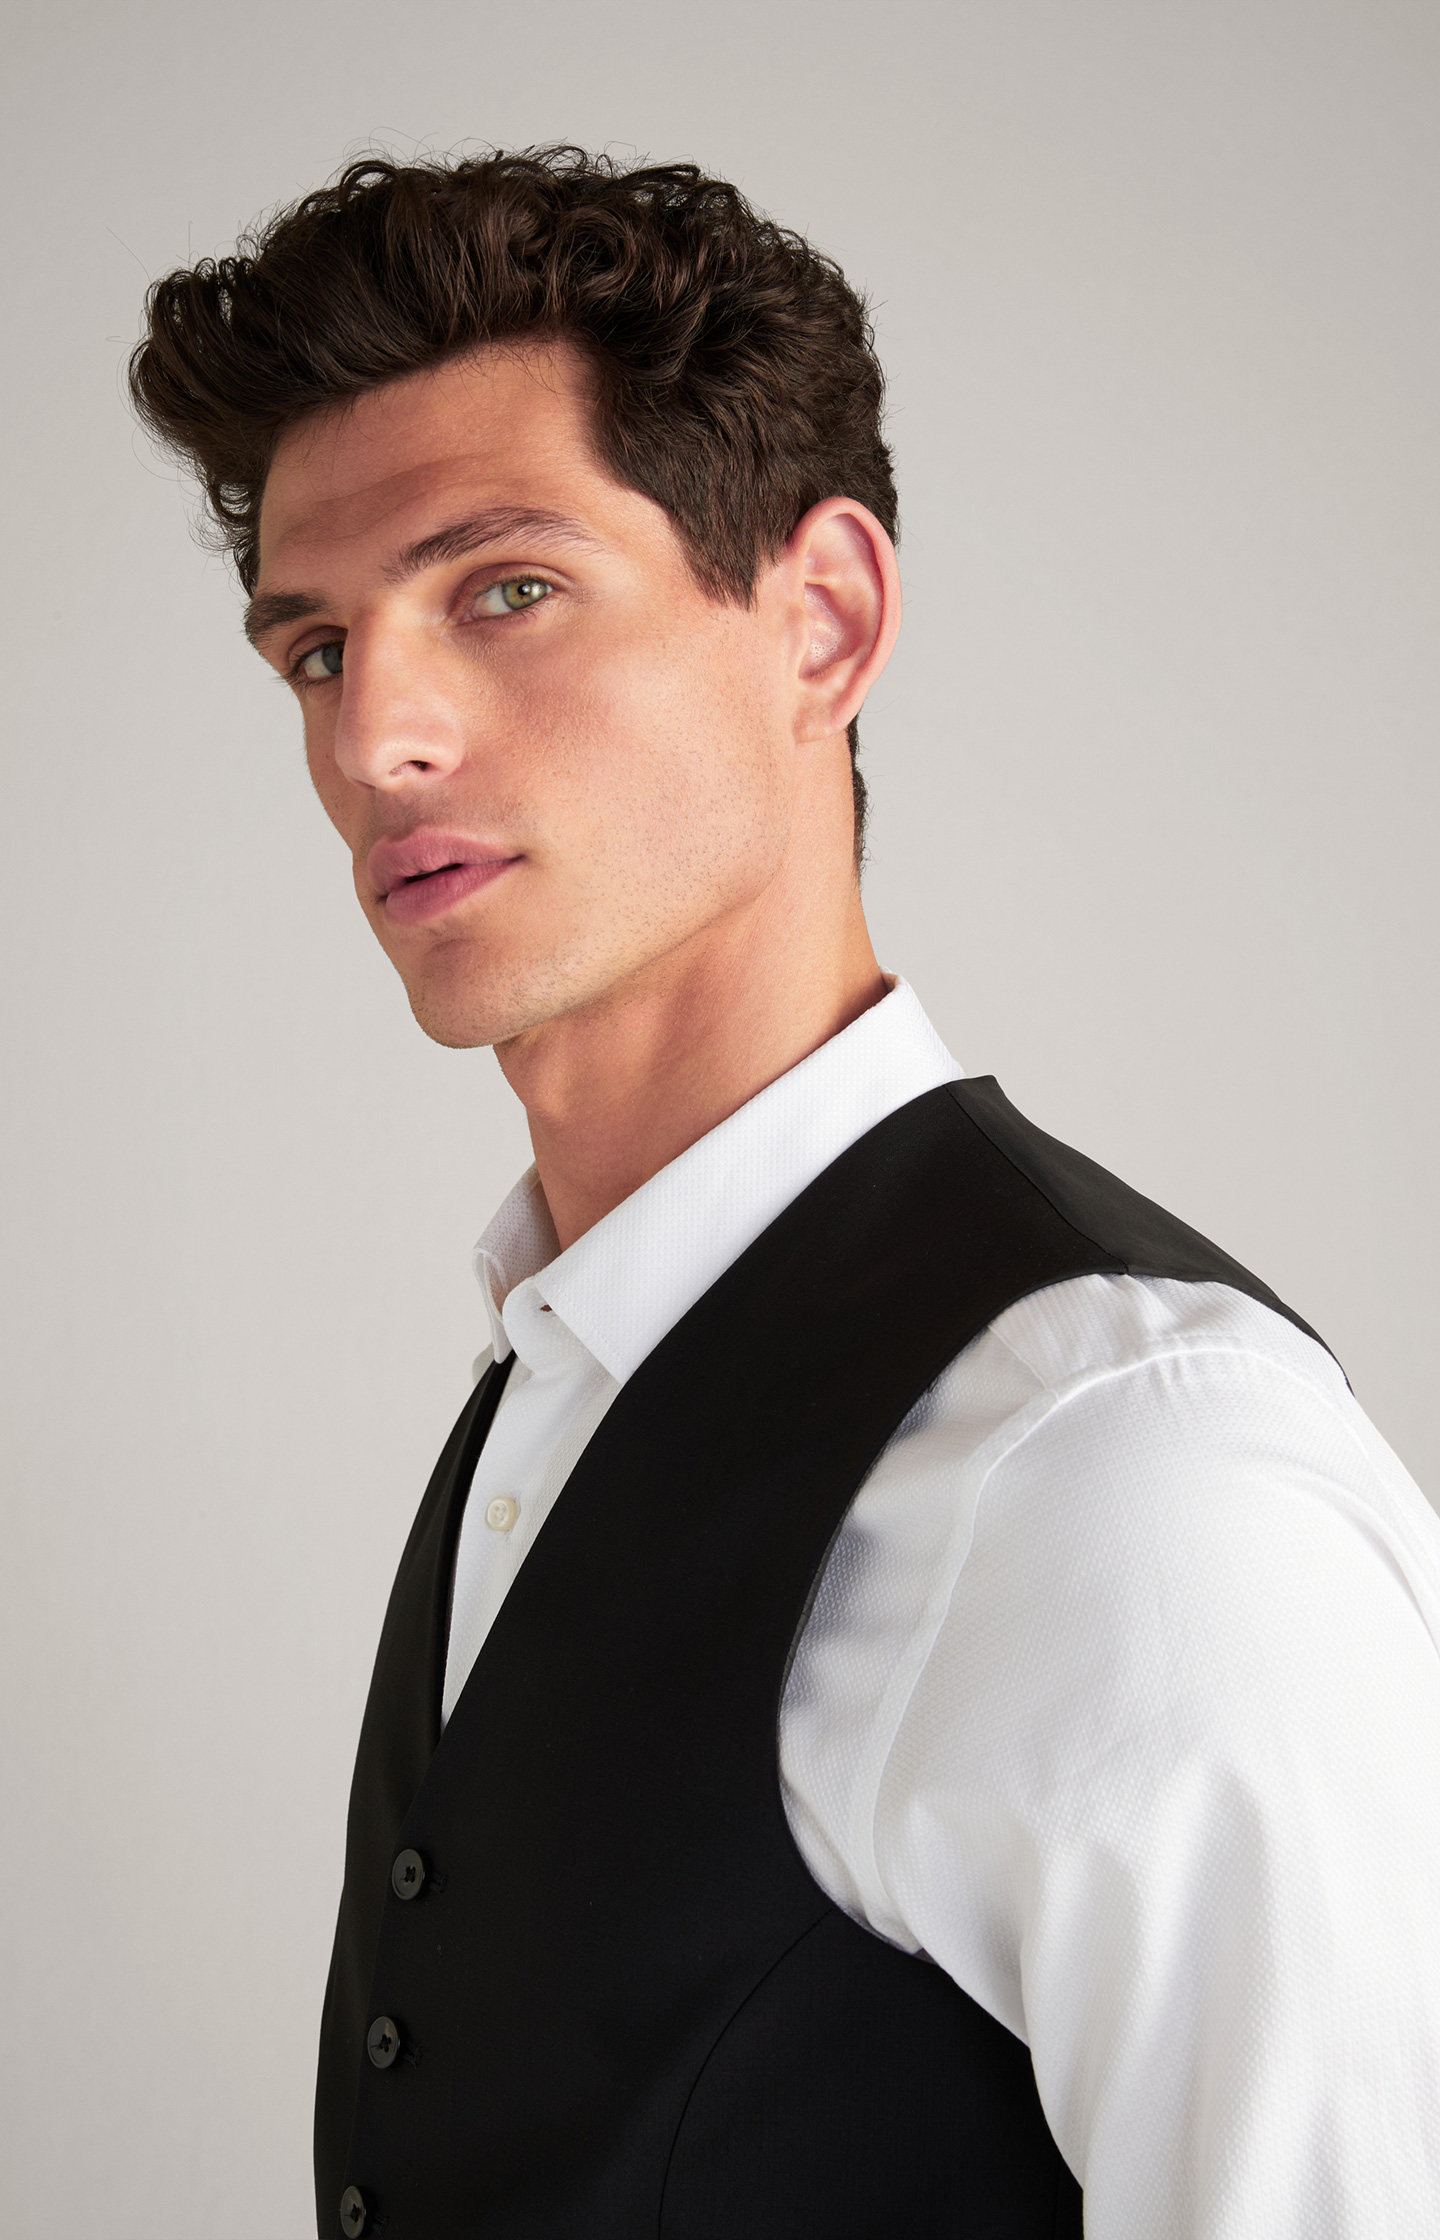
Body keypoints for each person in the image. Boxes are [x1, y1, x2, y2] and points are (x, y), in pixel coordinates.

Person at [130, 148, 1440, 2239]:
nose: (376, 737)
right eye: (315, 649)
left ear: (822, 620)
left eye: (504, 590)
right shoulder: (567, 1365)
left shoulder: (1119, 1464)